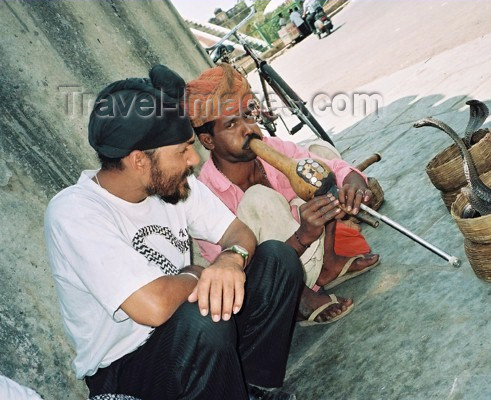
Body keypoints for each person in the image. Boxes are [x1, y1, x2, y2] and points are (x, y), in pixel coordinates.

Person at [44, 65, 302, 400]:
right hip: (130, 368)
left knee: (276, 260)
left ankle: (251, 388)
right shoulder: (75, 212)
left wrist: (230, 260)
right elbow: (152, 308)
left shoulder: (175, 183)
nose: (194, 159)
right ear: (139, 160)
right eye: (182, 150)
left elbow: (240, 233)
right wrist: (197, 274)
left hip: (189, 330)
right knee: (203, 319)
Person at [184, 64, 380, 327]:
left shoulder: (271, 148)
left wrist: (354, 182)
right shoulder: (205, 195)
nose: (248, 129)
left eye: (247, 116)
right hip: (272, 283)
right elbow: (243, 269)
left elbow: (333, 169)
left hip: (311, 252)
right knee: (258, 199)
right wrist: (302, 236)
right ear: (208, 141)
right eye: (232, 124)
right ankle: (300, 297)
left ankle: (329, 265)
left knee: (317, 163)